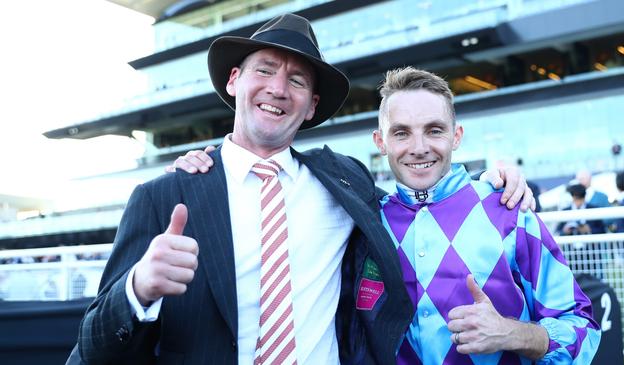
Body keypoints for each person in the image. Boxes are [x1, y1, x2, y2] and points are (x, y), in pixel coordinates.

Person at [70, 14, 532, 365]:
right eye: (265, 71)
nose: (278, 88)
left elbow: (420, 188)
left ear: (311, 106)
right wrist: (137, 290)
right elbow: (89, 350)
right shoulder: (164, 195)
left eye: (296, 80)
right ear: (234, 81)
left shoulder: (345, 180)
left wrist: (487, 182)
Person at [173, 66, 599, 364]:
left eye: (434, 130)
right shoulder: (361, 219)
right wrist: (214, 162)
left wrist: (516, 334)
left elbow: (583, 327)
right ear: (380, 141)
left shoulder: (509, 209)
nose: (418, 147)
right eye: (401, 133)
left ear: (457, 136)